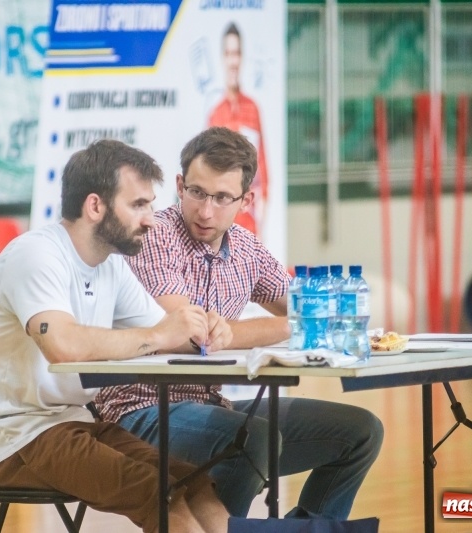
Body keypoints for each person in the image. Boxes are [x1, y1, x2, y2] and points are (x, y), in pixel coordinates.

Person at [95, 127, 384, 519]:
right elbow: (195, 332)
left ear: (245, 200)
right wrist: (289, 325)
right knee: (253, 439)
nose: (206, 211)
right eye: (197, 192)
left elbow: (321, 310)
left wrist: (289, 319)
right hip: (141, 409)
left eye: (222, 198)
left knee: (360, 432)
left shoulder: (247, 249)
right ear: (179, 186)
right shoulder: (154, 236)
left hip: (212, 406)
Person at [0, 140, 231, 533]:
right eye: (138, 205)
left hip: (68, 423)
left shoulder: (109, 266)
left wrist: (208, 331)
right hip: (4, 438)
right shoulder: (36, 255)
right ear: (95, 206)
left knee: (192, 480)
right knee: (155, 491)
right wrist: (159, 334)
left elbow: (172, 337)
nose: (151, 218)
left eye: (150, 204)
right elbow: (63, 346)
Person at [208, 22, 267, 238]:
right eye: (229, 53)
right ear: (223, 58)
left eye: (237, 53)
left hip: (250, 221)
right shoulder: (216, 114)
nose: (233, 60)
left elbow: (263, 166)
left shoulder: (253, 109)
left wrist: (262, 216)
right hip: (223, 223)